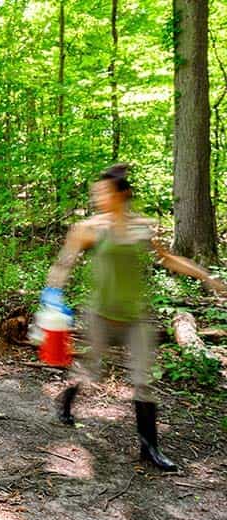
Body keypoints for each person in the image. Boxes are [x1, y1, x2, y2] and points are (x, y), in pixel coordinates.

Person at [42, 163, 227, 472]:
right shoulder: (89, 228)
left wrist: (205, 276)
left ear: (122, 194)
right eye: (95, 192)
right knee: (92, 372)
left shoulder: (140, 226)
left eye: (103, 192)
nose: (97, 197)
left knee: (143, 381)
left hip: (136, 318)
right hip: (100, 315)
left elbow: (167, 259)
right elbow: (64, 263)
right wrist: (52, 294)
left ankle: (150, 449)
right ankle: (67, 399)